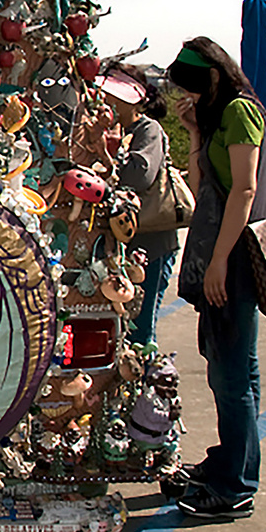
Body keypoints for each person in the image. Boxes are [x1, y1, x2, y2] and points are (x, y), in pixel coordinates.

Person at [165, 37, 266, 520]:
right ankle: (231, 463)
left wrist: (218, 262)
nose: (187, 97)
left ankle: (235, 486)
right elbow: (201, 188)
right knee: (233, 369)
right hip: (222, 253)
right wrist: (192, 133)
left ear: (211, 77)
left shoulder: (240, 112)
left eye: (191, 89)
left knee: (231, 376)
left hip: (233, 258)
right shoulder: (219, 116)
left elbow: (246, 190)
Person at [100, 63, 179, 347]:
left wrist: (110, 153)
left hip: (149, 244)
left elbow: (140, 175)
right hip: (115, 246)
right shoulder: (98, 129)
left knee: (139, 329)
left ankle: (143, 383)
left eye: (113, 95)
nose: (105, 101)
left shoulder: (148, 130)